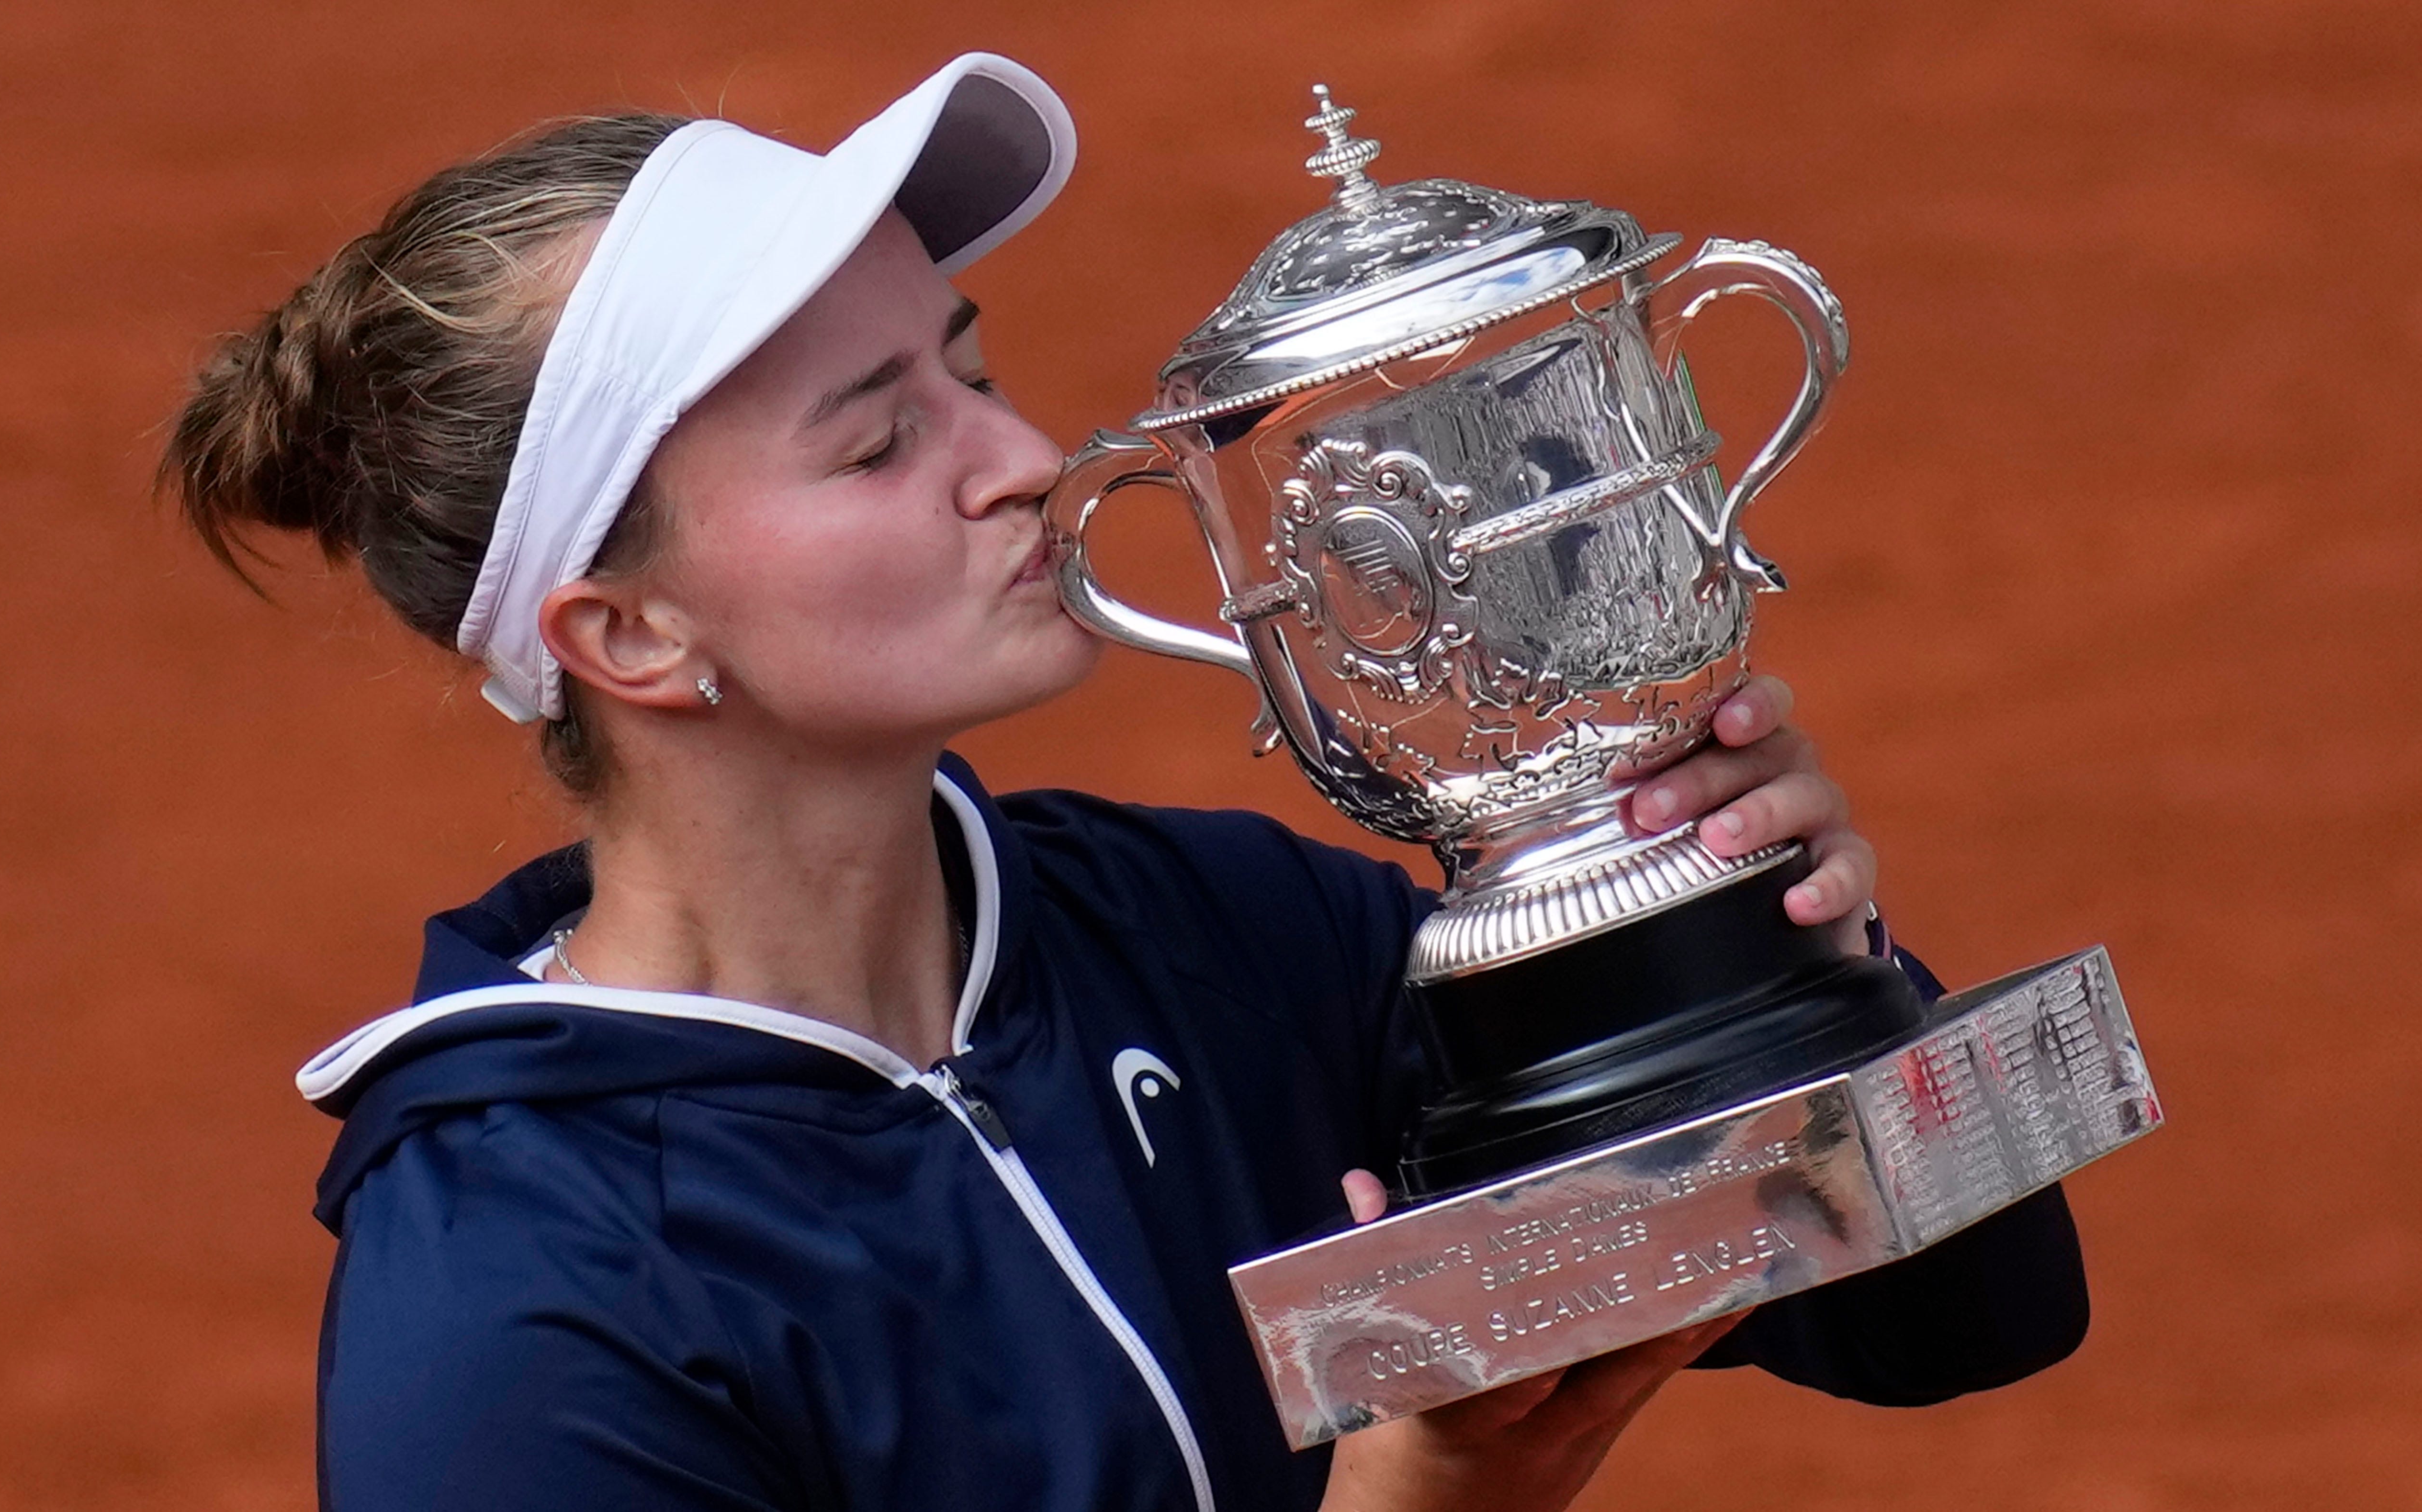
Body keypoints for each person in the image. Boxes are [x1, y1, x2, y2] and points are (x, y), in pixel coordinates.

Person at [163, 53, 2088, 1512]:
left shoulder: (1222, 935)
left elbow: (1960, 1316)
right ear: (633, 641)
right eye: (877, 441)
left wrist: (1771, 948)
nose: (1020, 459)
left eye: (971, 369)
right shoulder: (521, 1305)